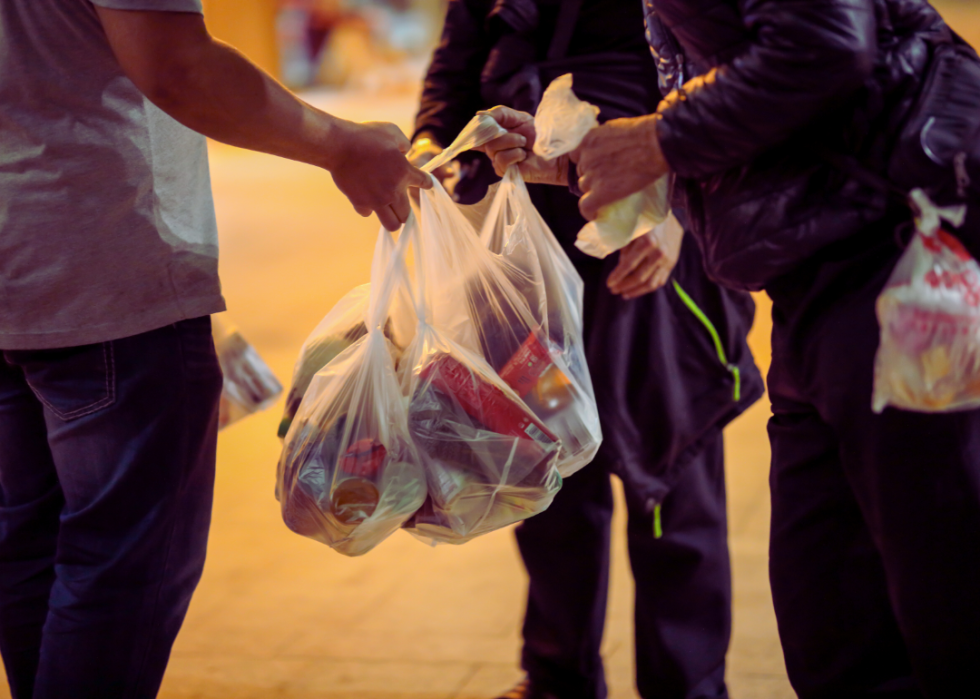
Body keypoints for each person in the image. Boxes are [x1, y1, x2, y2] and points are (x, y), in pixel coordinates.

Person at [483, 0, 980, 696]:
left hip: (904, 263)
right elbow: (755, 109)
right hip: (810, 287)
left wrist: (658, 140)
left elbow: (830, 45)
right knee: (831, 627)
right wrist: (582, 167)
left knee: (947, 600)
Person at [0, 2, 428, 697]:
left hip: (18, 256)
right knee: (118, 571)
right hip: (105, 268)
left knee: (34, 553)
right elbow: (176, 64)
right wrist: (341, 145)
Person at [410, 2, 763, 697]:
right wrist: (429, 147)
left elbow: (735, 76)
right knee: (544, 462)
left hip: (654, 236)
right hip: (526, 249)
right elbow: (455, 65)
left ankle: (686, 684)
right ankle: (555, 676)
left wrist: (681, 209)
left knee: (669, 466)